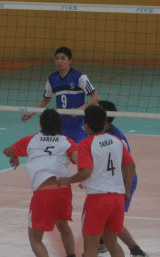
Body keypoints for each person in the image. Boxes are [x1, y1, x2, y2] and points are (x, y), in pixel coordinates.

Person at [57, 105, 136, 257]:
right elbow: (131, 165)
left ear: (86, 125)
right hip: (117, 199)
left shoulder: (86, 144)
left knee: (90, 245)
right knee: (112, 242)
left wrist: (68, 180)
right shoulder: (116, 140)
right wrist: (126, 191)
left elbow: (86, 171)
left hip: (98, 200)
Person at [3, 108, 78, 257]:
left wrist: (16, 155)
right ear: (59, 124)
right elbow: (77, 159)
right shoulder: (67, 141)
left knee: (35, 239)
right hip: (63, 191)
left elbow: (7, 151)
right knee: (63, 225)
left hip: (43, 193)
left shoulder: (31, 140)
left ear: (41, 124)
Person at [97, 100, 149, 257]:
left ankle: (134, 250)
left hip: (123, 181)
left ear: (103, 118)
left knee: (111, 222)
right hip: (108, 182)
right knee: (108, 220)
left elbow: (129, 165)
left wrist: (125, 188)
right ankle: (103, 242)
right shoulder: (95, 130)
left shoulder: (116, 137)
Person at [22, 46, 100, 143]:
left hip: (79, 126)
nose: (59, 61)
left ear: (70, 61)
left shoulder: (80, 77)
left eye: (63, 58)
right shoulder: (52, 79)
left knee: (79, 154)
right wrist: (31, 113)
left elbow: (95, 97)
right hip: (60, 126)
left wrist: (79, 110)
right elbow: (45, 100)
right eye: (57, 58)